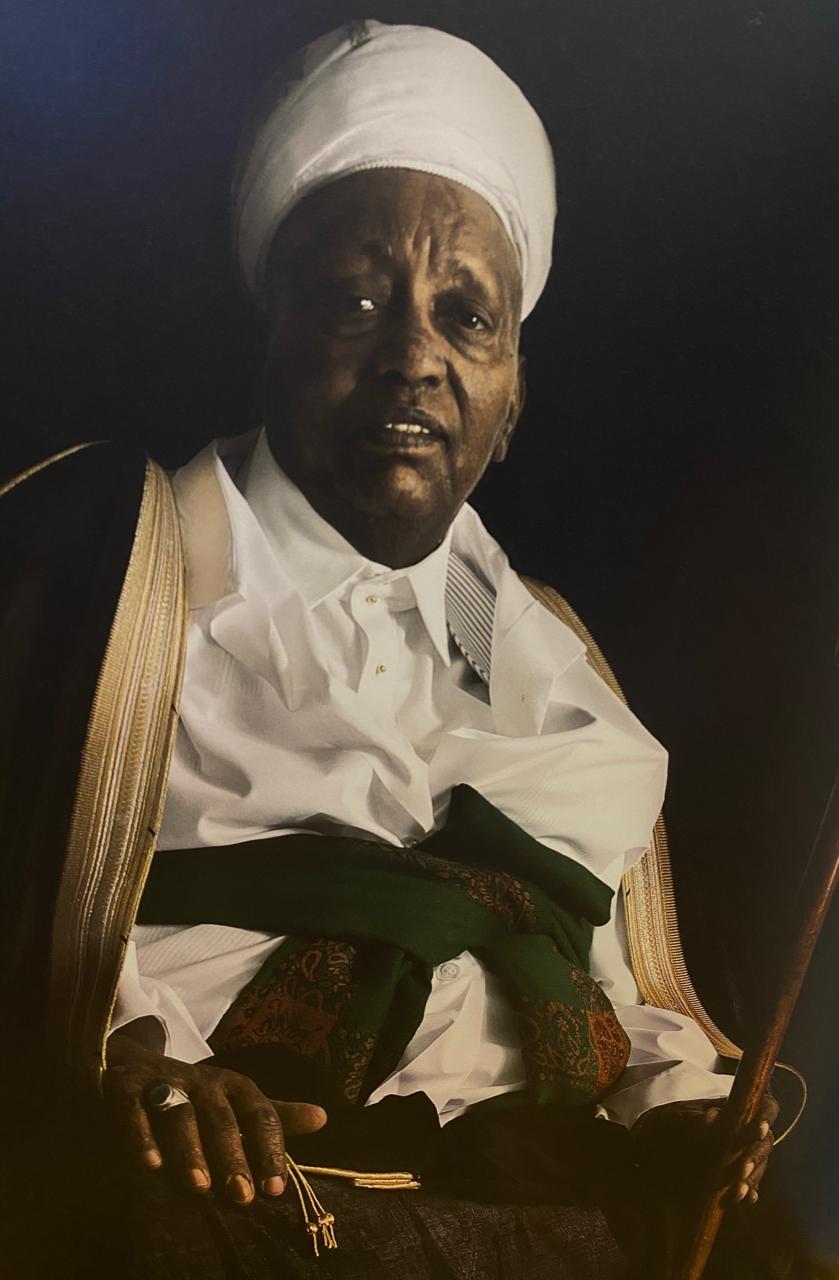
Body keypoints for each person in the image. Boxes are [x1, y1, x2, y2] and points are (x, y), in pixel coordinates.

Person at [2, 19, 777, 1280]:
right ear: (271, 334)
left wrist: (686, 1112)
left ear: (511, 397)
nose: (413, 355)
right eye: (356, 301)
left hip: (545, 1211)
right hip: (223, 1210)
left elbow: (624, 1003)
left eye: (465, 318)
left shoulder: (556, 663)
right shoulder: (92, 571)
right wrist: (121, 1054)